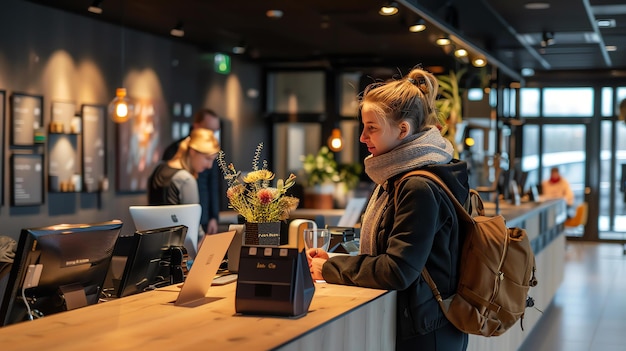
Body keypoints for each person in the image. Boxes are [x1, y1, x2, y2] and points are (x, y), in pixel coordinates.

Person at [307, 67, 470, 350]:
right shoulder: (400, 177)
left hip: (426, 335)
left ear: (403, 130)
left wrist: (331, 267)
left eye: (372, 127)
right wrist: (334, 257)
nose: (362, 137)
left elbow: (398, 269)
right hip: (427, 324)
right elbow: (394, 253)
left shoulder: (417, 185)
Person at [148, 128, 220, 245]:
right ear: (192, 151)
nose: (209, 166)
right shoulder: (186, 180)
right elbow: (193, 227)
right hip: (180, 250)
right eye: (207, 159)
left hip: (154, 244)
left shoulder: (158, 170)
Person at [163, 109, 222, 234]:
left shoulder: (211, 152)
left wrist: (213, 217)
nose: (212, 135)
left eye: (215, 131)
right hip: (178, 215)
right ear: (197, 126)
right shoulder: (175, 150)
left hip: (204, 213)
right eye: (209, 129)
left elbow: (213, 185)